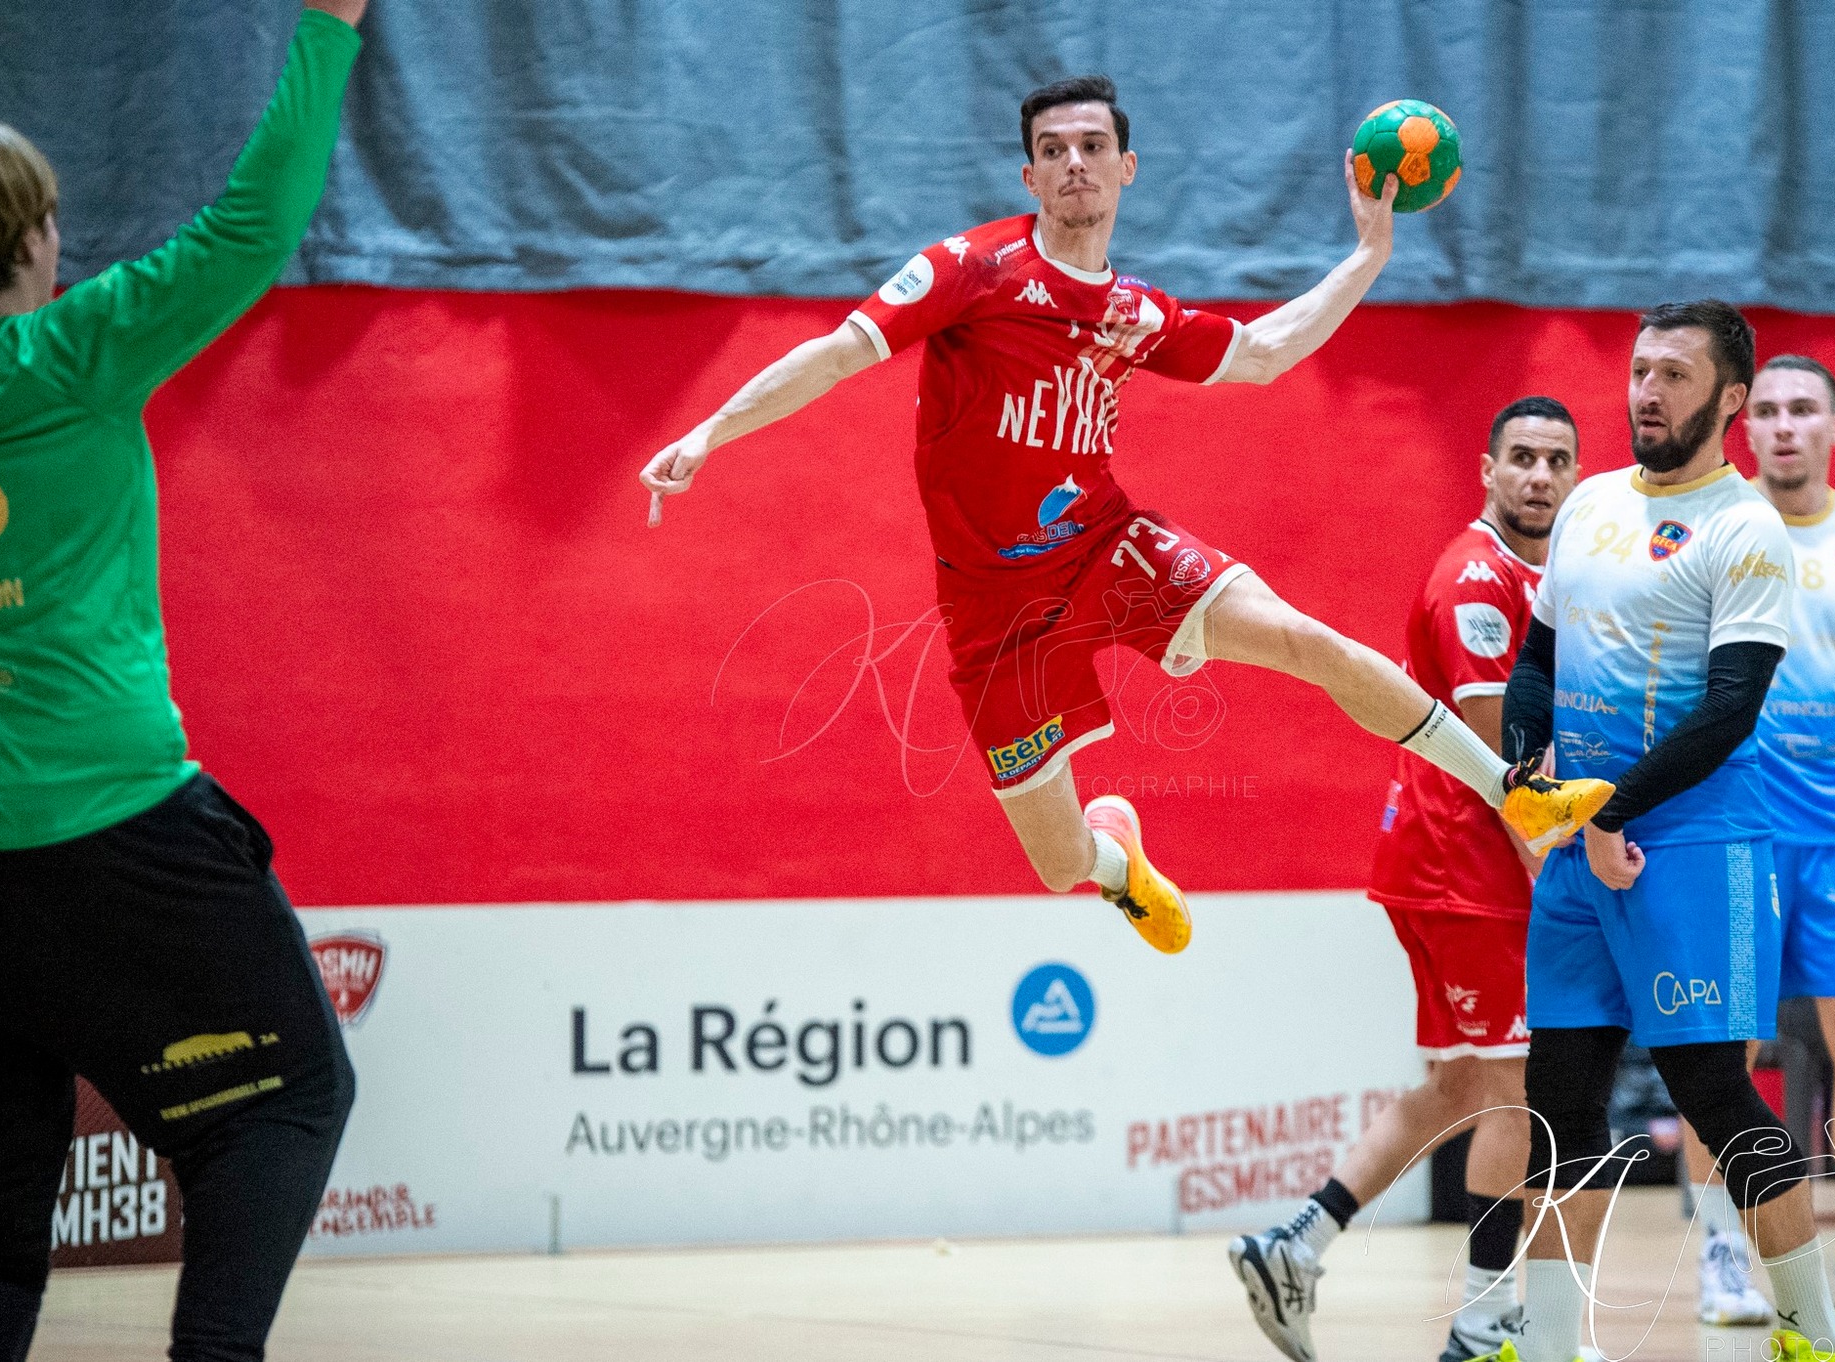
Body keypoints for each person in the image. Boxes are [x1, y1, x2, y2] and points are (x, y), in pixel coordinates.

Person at [640, 76, 1609, 956]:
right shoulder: (968, 270)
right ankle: (1118, 864)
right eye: (1054, 149)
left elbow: (1263, 352)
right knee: (1057, 860)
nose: (1074, 162)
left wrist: (1368, 253)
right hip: (991, 611)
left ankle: (1512, 794)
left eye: (1092, 146)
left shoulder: (1133, 312)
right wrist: (708, 434)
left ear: (1124, 168)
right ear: (1029, 172)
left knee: (1304, 641)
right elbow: (835, 353)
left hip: (1110, 551)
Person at [0, 4, 367, 1358]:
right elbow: (254, 226)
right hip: (115, 829)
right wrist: (329, 26)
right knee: (290, 1099)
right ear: (33, 243)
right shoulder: (72, 352)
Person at [1493, 300, 1835, 1362]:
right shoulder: (1589, 505)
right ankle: (1556, 1340)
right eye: (1639, 370)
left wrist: (1608, 808)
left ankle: (1814, 1336)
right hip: (1580, 849)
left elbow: (1729, 708)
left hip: (1694, 848)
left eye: (1673, 376)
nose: (1645, 392)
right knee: (1557, 1093)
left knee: (1710, 1091)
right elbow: (1535, 663)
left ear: (1728, 401)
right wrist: (1528, 767)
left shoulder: (1742, 525)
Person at [1227, 398, 1581, 1362]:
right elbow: (1504, 759)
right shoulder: (1475, 577)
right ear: (1487, 470)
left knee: (1461, 1082)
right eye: (1522, 459)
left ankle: (1296, 1243)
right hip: (1464, 870)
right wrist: (1557, 872)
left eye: (1557, 461)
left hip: (1440, 869)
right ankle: (1484, 1325)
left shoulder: (1534, 578)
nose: (1540, 477)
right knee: (1519, 1094)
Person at [1676, 355, 1835, 1326]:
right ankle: (1720, 1254)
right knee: (1725, 1045)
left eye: (1804, 410)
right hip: (1728, 820)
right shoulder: (1708, 529)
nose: (1784, 426)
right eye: (1769, 412)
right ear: (1743, 429)